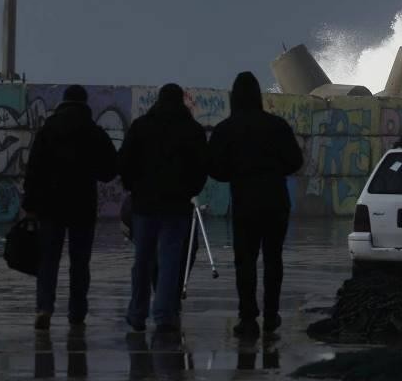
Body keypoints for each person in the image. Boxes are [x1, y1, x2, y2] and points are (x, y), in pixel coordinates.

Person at [209, 72, 303, 337]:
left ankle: (248, 317)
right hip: (275, 201)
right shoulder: (277, 125)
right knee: (274, 260)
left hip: (245, 202)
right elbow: (295, 161)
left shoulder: (227, 128)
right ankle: (271, 315)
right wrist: (274, 170)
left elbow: (213, 167)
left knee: (245, 261)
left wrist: (235, 173)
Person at [22, 84, 118, 330]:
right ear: (85, 104)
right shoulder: (93, 131)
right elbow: (109, 169)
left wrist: (29, 206)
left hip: (50, 205)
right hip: (82, 205)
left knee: (48, 260)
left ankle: (44, 307)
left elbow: (33, 170)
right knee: (79, 262)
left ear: (63, 102)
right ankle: (77, 312)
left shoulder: (48, 130)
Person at [119, 83, 208, 333]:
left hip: (144, 205)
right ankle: (164, 314)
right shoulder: (192, 130)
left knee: (143, 260)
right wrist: (191, 190)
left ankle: (137, 313)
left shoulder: (141, 126)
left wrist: (133, 188)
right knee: (170, 259)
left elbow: (124, 161)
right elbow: (202, 167)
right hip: (177, 206)